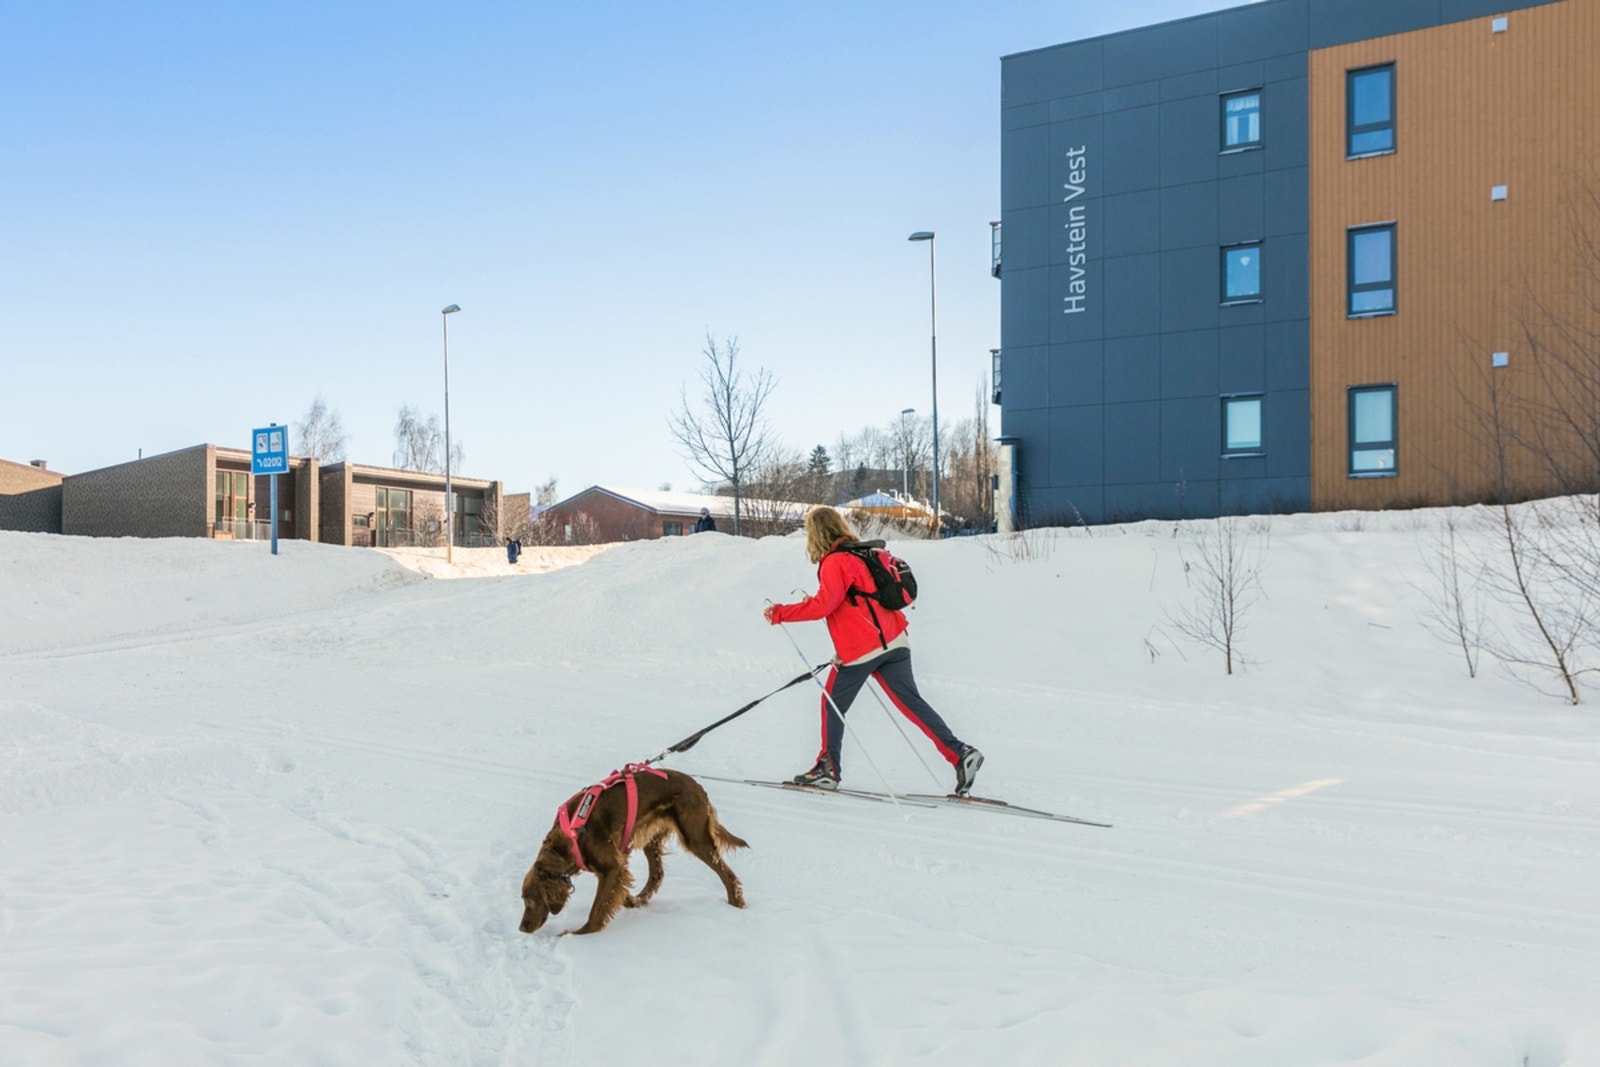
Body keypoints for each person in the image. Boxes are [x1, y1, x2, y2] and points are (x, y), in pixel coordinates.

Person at [763, 505, 983, 795]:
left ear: (815, 534)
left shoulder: (835, 562)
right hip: (896, 641)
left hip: (863, 650)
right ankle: (960, 753)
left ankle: (827, 770)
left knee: (832, 704)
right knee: (912, 704)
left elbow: (824, 606)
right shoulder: (866, 553)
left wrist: (780, 613)